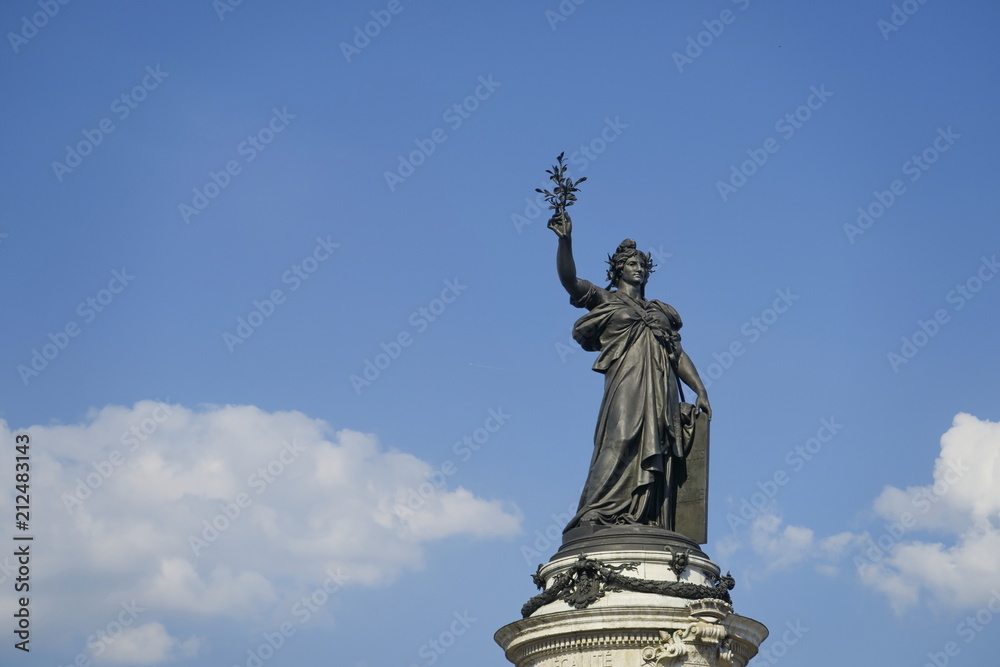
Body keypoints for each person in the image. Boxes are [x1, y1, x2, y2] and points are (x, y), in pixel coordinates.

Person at [548, 213, 711, 533]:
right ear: (618, 268)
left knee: (658, 447)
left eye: (643, 266)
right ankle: (595, 512)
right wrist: (565, 241)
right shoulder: (605, 299)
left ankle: (645, 515)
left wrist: (699, 389)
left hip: (660, 385)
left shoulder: (659, 311)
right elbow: (570, 280)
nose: (640, 269)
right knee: (620, 438)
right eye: (633, 264)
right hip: (626, 381)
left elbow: (676, 352)